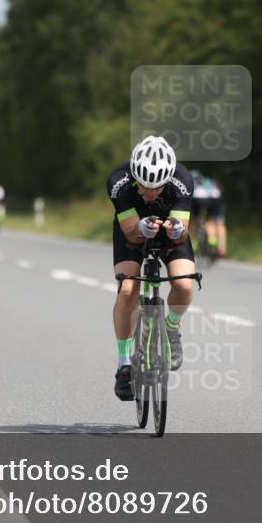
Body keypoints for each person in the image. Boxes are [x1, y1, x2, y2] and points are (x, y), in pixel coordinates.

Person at [107, 135, 195, 401]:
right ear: (135, 175)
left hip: (169, 233)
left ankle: (172, 327)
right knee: (127, 290)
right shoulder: (119, 182)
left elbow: (181, 234)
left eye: (157, 187)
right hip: (132, 231)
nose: (150, 192)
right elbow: (131, 233)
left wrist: (177, 230)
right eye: (144, 185)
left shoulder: (183, 180)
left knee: (184, 284)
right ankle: (124, 364)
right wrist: (142, 228)